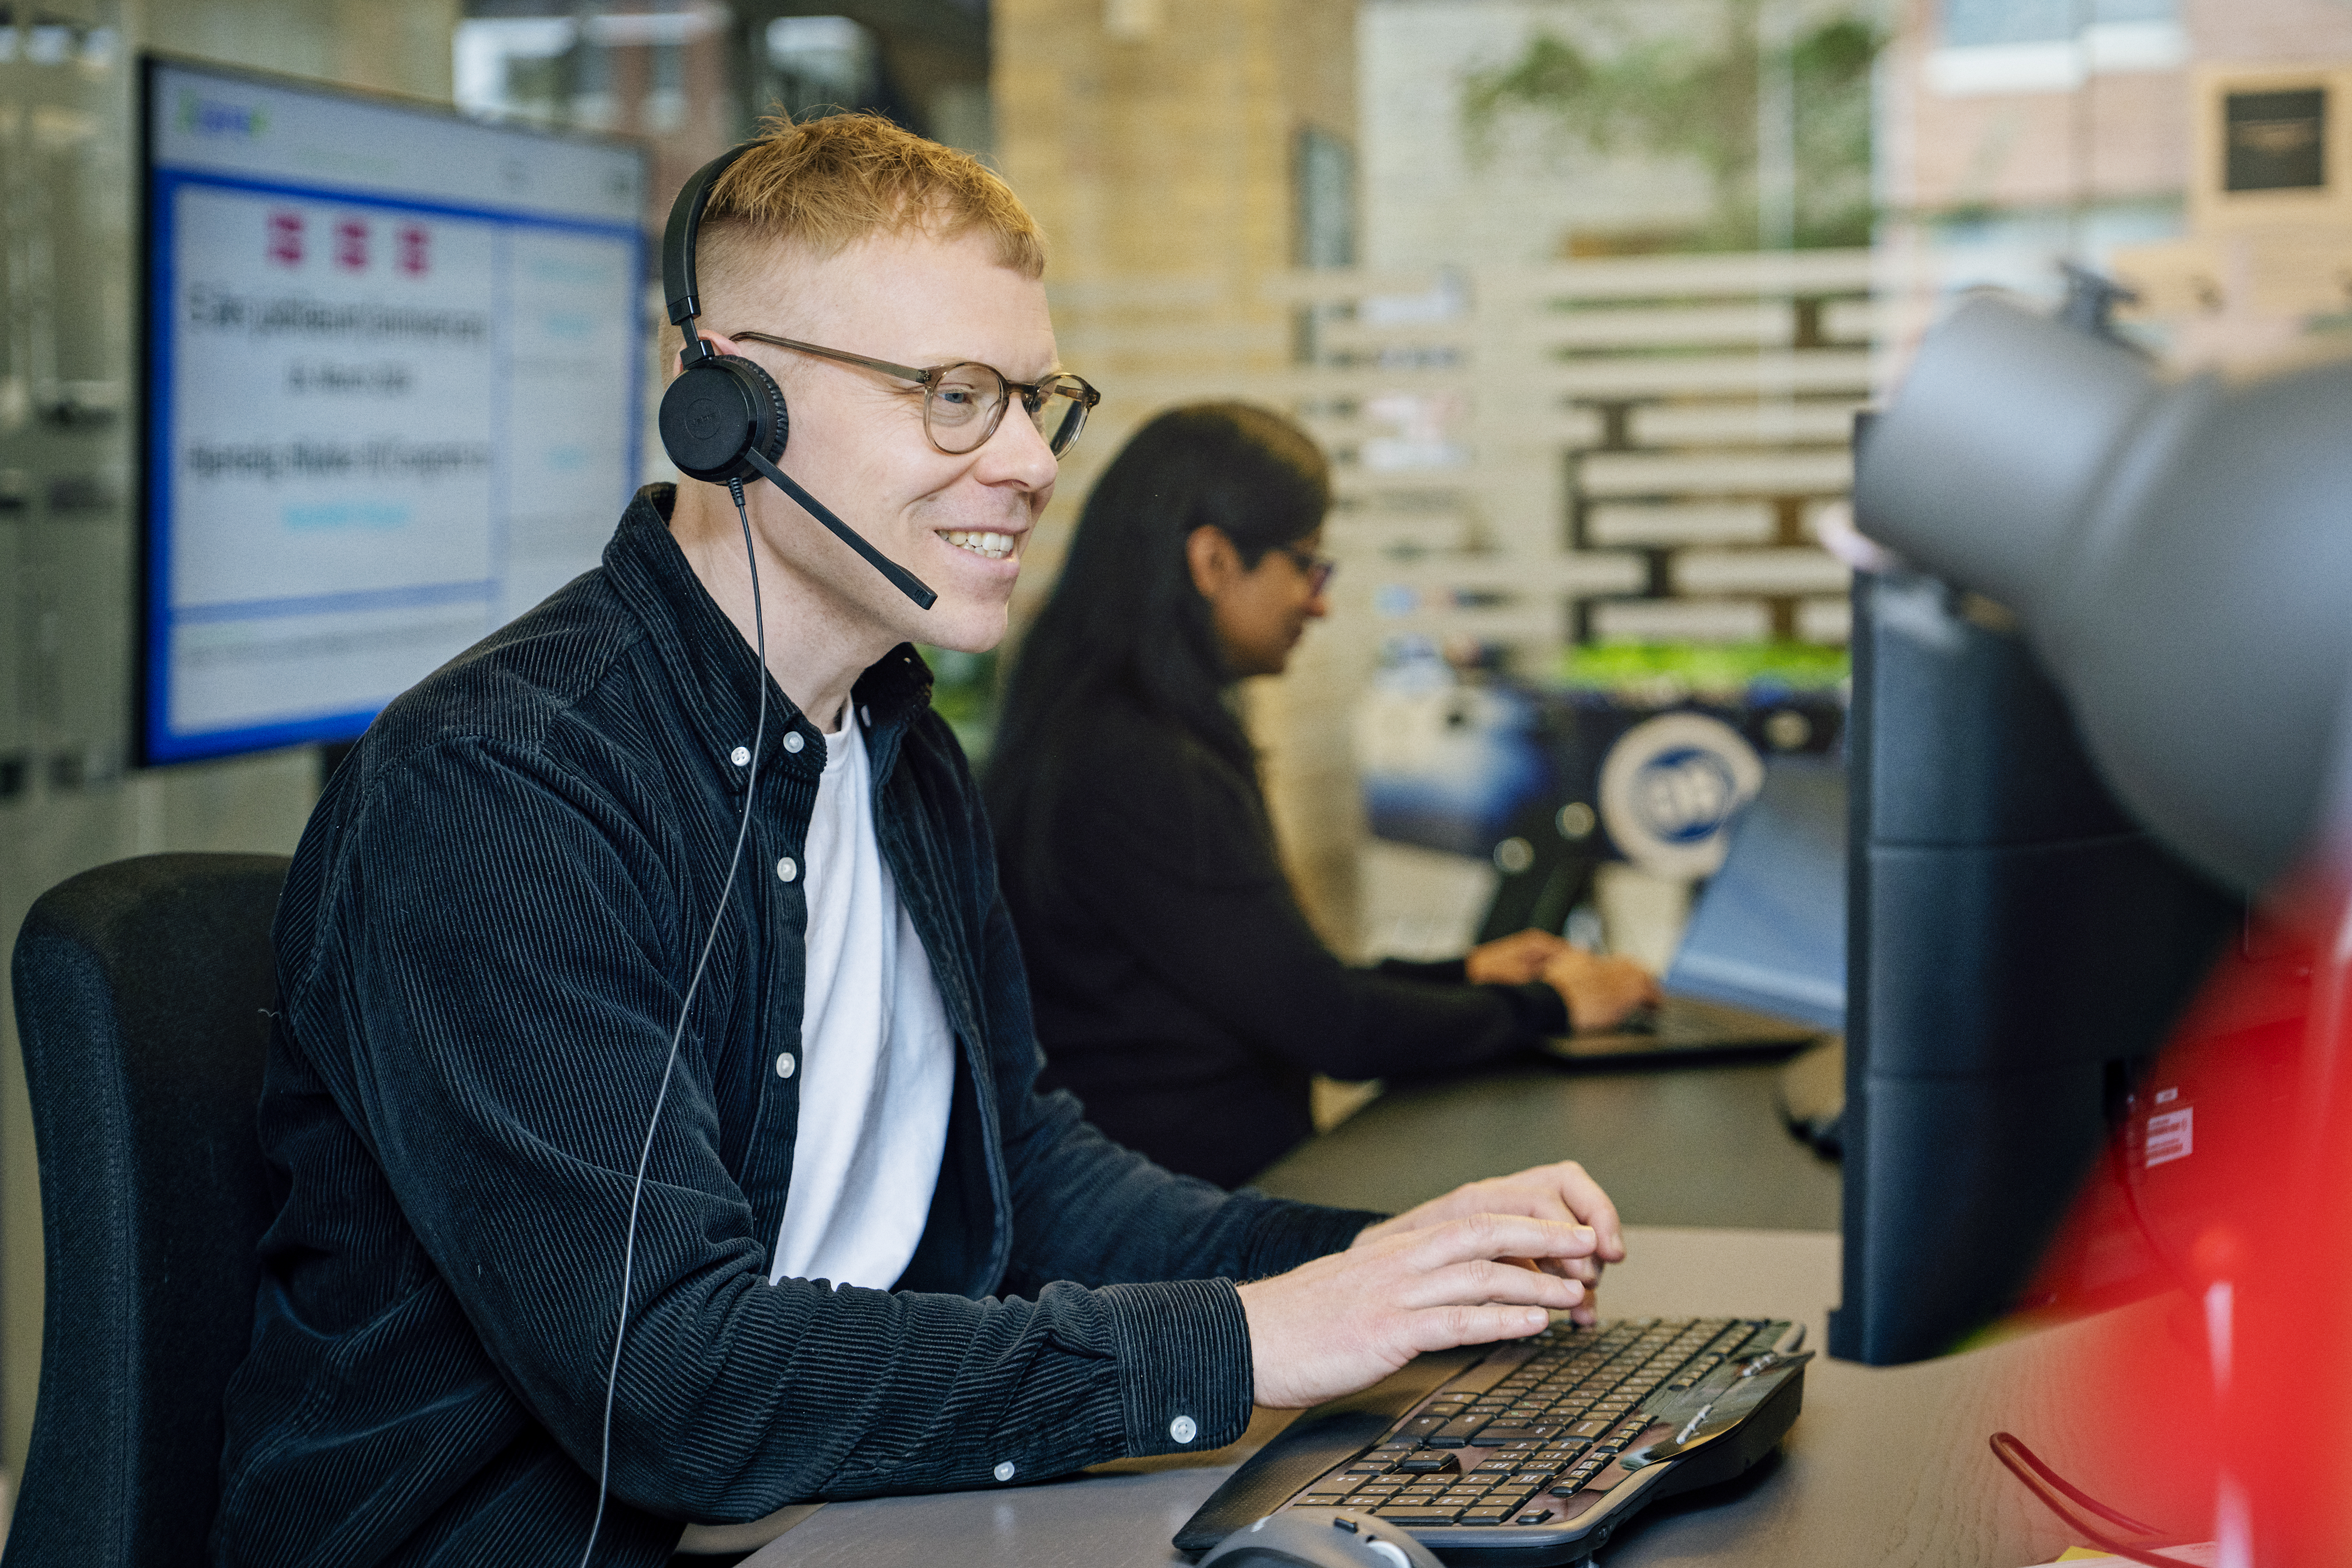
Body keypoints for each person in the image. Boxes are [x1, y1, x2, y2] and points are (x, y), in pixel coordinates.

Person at [212, 118, 1628, 1568]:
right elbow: (681, 1385)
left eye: (1034, 399)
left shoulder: (897, 748)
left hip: (851, 1512)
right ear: (729, 406)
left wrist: (1388, 1269)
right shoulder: (504, 786)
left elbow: (1030, 1176)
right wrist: (1249, 1340)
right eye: (955, 395)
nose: (1026, 463)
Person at [986, 403, 1660, 1188]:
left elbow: (1274, 985)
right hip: (1180, 1247)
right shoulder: (1137, 763)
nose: (1319, 600)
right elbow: (1331, 1028)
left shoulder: (1110, 729)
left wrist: (1468, 976)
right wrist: (1552, 1007)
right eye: (1306, 564)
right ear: (1213, 563)